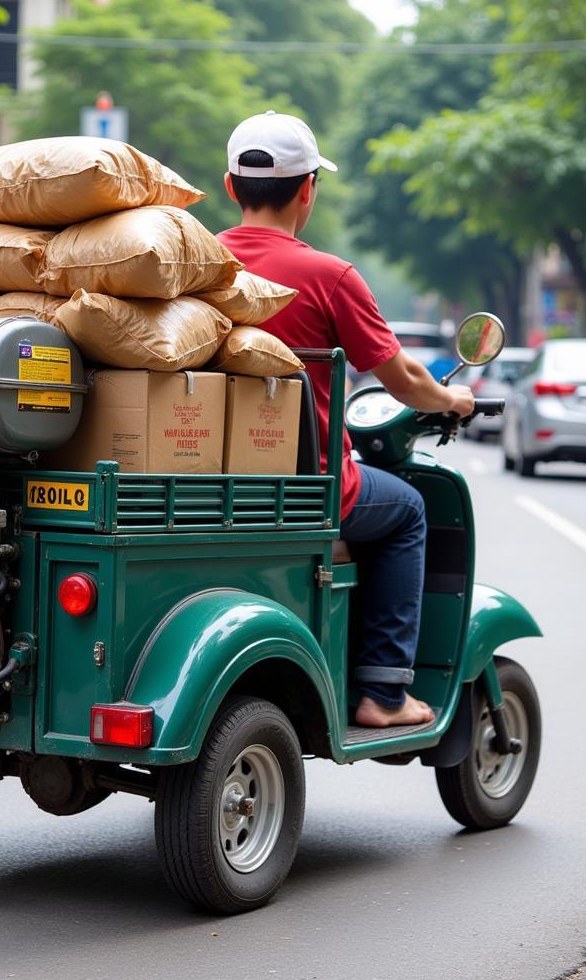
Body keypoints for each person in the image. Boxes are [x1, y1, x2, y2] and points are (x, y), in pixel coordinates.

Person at [219, 111, 475, 728]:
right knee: (410, 509)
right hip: (308, 488)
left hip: (205, 479)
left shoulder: (198, 262)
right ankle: (384, 693)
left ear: (231, 187)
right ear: (308, 188)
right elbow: (404, 380)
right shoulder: (329, 276)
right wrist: (453, 402)